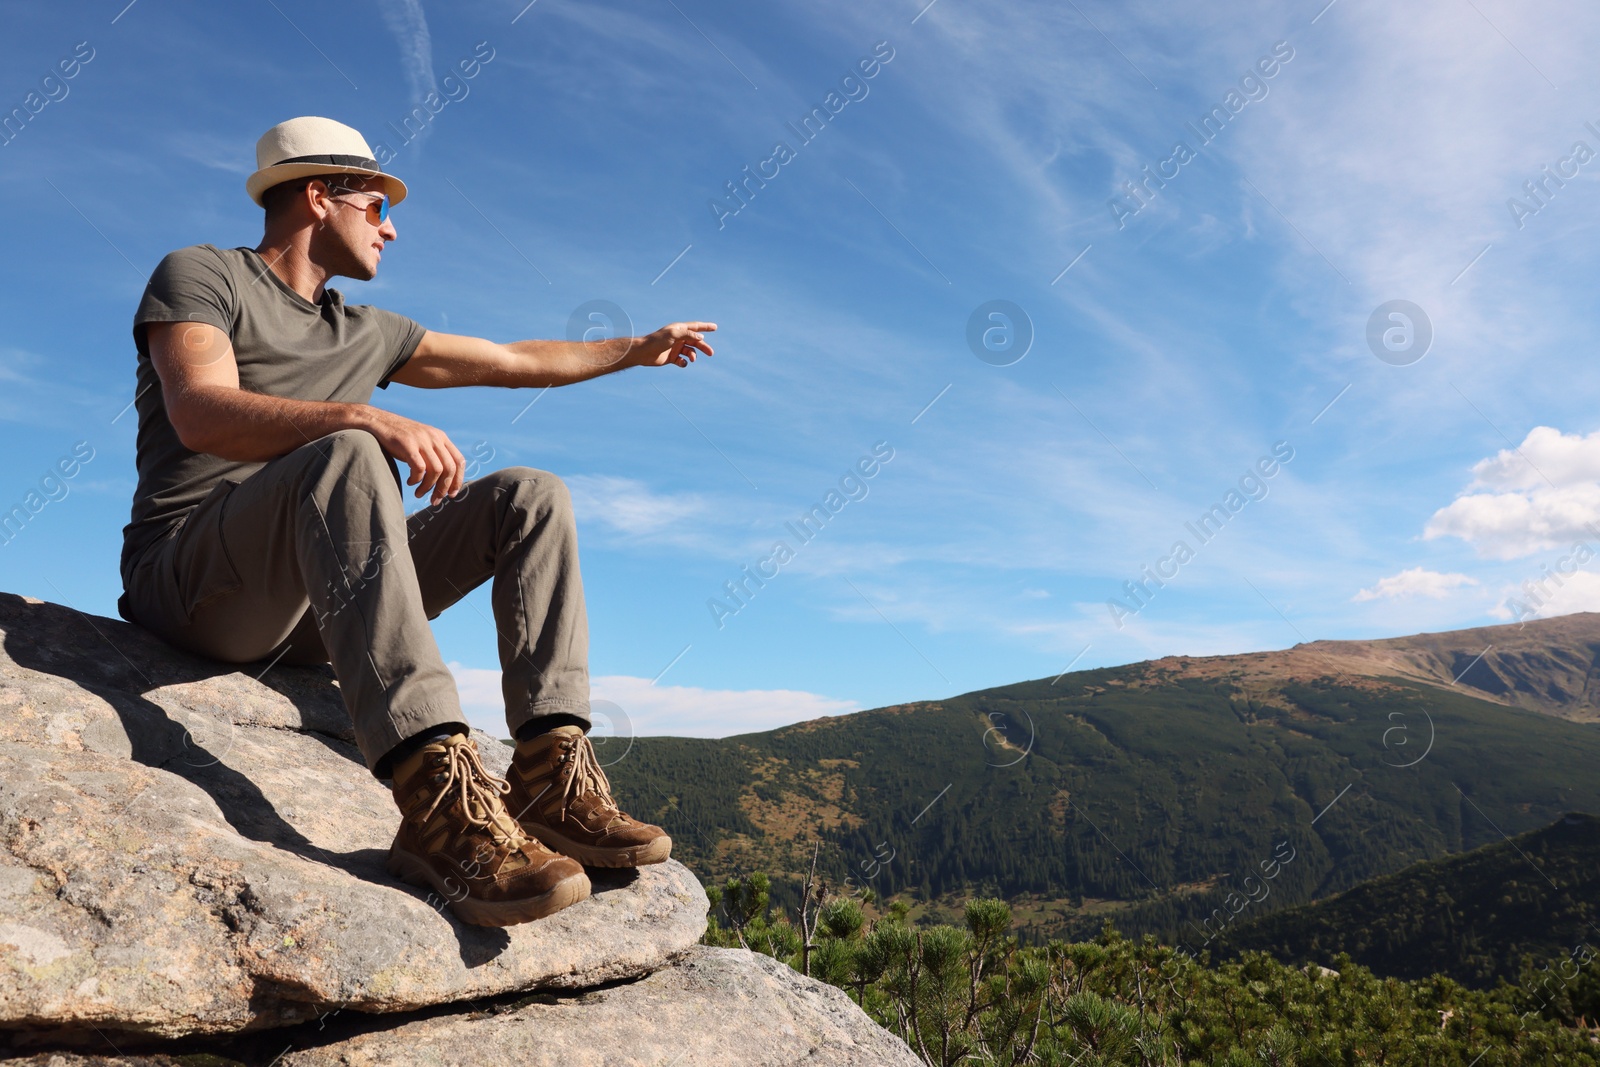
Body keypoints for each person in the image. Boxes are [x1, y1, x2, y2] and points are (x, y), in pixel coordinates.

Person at [117, 115, 716, 928]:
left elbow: (509, 362)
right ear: (318, 196)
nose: (391, 227)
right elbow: (199, 410)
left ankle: (547, 773)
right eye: (377, 206)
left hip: (312, 611)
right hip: (194, 581)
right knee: (350, 450)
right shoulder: (203, 275)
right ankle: (437, 800)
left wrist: (635, 346)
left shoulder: (366, 330)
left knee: (530, 493)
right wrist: (360, 416)